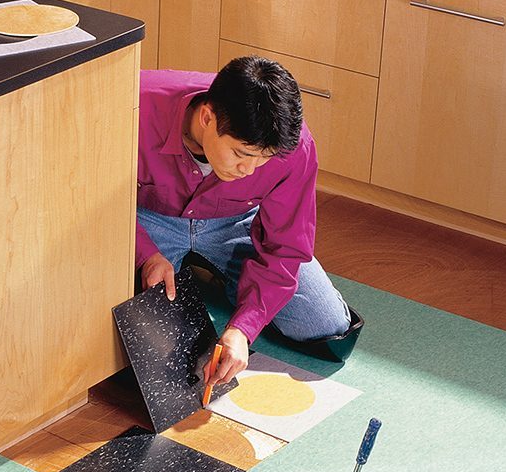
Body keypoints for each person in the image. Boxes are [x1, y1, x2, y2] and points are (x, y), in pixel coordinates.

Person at [137, 56, 361, 385]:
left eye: (263, 159)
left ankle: (219, 278)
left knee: (325, 327)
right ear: (207, 117)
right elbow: (86, 191)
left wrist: (243, 329)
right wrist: (145, 254)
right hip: (149, 218)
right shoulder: (133, 104)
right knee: (129, 334)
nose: (249, 170)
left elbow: (285, 249)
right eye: (241, 154)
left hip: (237, 222)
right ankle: (199, 271)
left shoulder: (293, 148)